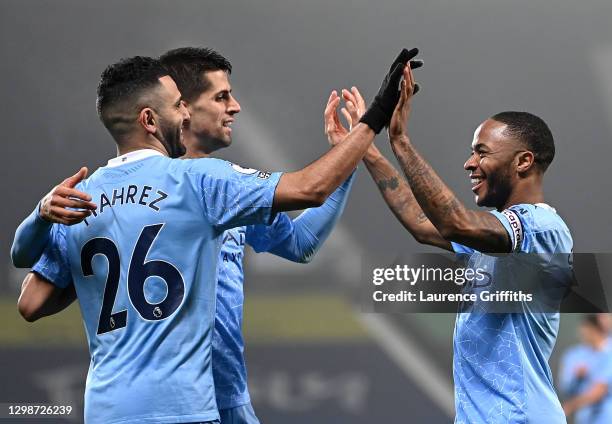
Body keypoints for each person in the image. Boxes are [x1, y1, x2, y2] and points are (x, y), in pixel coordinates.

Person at [11, 49, 419, 423]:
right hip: (187, 403)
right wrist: (371, 123)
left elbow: (300, 243)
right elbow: (310, 187)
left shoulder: (88, 197)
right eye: (221, 97)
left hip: (142, 404)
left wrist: (48, 226)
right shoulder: (207, 184)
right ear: (169, 112)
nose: (234, 107)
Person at [325, 65, 573, 422]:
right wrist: (365, 148)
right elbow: (424, 223)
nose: (469, 163)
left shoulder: (542, 227)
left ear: (523, 161)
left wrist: (401, 141)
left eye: (482, 152)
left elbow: (455, 222)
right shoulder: (495, 236)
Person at [561, 315, 612, 424]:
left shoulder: (609, 353)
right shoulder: (574, 354)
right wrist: (577, 377)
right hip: (584, 419)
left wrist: (570, 406)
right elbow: (564, 386)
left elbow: (599, 390)